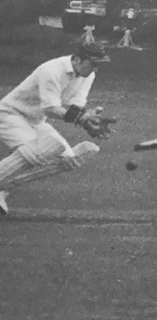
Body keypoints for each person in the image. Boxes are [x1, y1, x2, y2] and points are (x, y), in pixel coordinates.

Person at [0, 42, 116, 215]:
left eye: (98, 65)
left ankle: (3, 188)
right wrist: (81, 118)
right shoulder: (52, 70)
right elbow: (50, 108)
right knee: (36, 151)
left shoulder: (87, 75)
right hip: (10, 114)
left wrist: (88, 120)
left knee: (69, 159)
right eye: (93, 64)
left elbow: (74, 105)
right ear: (76, 59)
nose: (95, 69)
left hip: (36, 120)